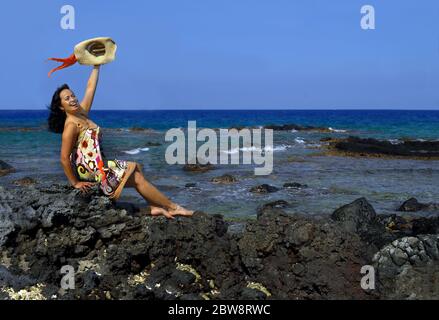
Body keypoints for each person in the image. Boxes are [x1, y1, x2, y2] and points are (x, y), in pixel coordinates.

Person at [47, 65, 193, 219]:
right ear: (61, 107)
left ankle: (155, 206)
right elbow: (64, 158)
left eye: (73, 95)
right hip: (93, 173)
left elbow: (90, 88)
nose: (73, 99)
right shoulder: (71, 125)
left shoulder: (82, 113)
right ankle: (172, 207)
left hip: (100, 166)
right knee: (136, 177)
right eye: (67, 98)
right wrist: (75, 183)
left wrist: (96, 66)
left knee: (136, 168)